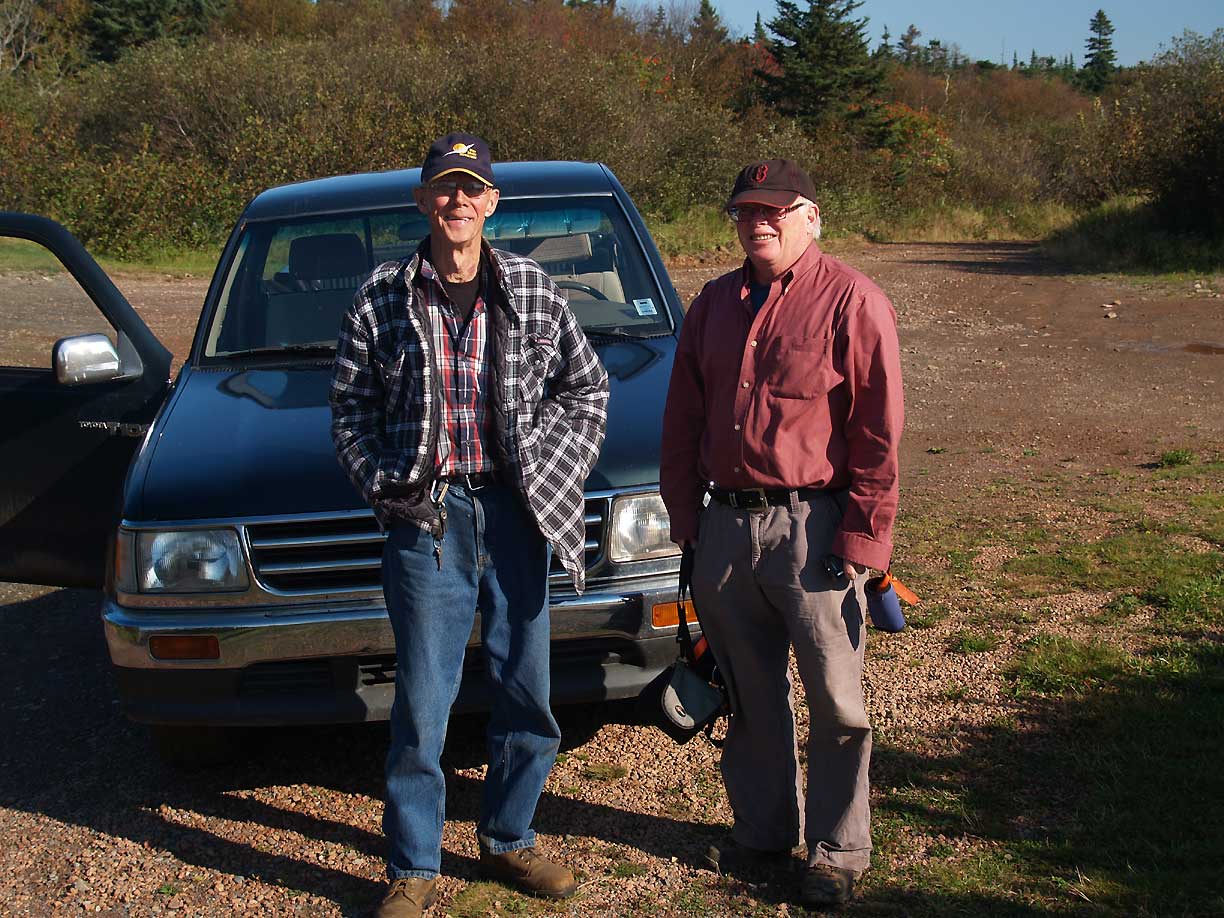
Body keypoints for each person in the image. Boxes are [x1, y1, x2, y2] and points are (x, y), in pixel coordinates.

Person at [330, 132, 609, 918]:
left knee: (528, 692)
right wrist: (388, 490)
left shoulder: (533, 289)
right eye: (444, 187)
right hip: (430, 521)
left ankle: (509, 839)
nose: (457, 200)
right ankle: (413, 866)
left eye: (471, 188)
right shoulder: (381, 296)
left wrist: (551, 469)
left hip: (519, 513)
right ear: (422, 200)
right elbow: (349, 411)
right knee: (423, 706)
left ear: (492, 202)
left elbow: (587, 389)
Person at [659, 159, 903, 908]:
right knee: (749, 694)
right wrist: (687, 521)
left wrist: (862, 539)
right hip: (725, 527)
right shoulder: (711, 304)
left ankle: (837, 851)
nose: (757, 223)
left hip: (812, 528)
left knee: (836, 702)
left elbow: (878, 433)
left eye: (774, 211)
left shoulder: (853, 301)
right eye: (745, 211)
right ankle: (764, 832)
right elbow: (682, 419)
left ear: (812, 217)